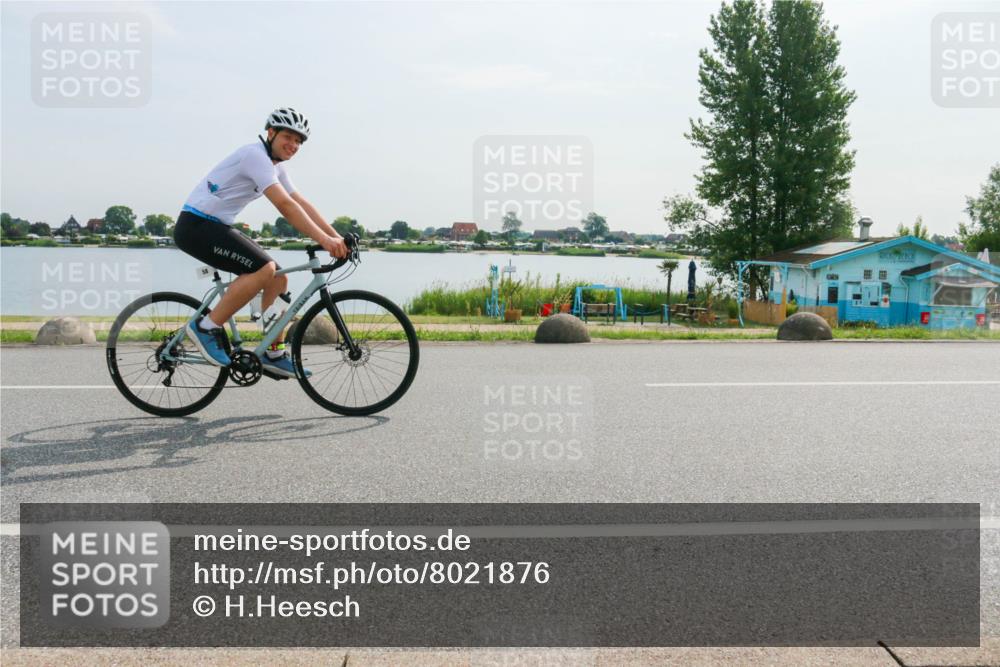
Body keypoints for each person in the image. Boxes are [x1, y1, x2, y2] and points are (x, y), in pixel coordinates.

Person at [173, 107, 347, 377]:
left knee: (277, 277)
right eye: (288, 137)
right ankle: (206, 327)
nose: (293, 145)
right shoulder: (255, 156)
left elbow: (301, 202)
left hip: (217, 226)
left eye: (299, 141)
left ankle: (272, 352)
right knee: (262, 269)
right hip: (196, 226)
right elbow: (285, 206)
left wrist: (336, 237)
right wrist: (324, 240)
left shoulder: (277, 167)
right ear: (271, 133)